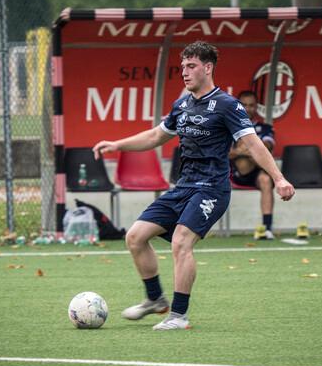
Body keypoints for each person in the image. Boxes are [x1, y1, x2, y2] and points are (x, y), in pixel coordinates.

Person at [93, 41, 295, 330]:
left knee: (181, 241)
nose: (185, 72)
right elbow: (155, 137)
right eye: (182, 67)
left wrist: (279, 178)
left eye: (191, 66)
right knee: (135, 237)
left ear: (208, 68)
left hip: (211, 189)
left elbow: (253, 144)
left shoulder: (227, 105)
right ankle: (155, 300)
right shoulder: (182, 105)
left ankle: (178, 316)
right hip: (183, 187)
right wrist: (117, 145)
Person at [229, 90, 276, 240]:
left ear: (256, 107)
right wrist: (247, 151)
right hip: (234, 173)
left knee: (266, 179)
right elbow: (223, 153)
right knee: (246, 150)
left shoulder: (265, 128)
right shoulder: (229, 126)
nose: (247, 108)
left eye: (251, 105)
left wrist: (244, 150)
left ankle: (267, 229)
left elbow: (267, 147)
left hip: (258, 172)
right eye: (244, 105)